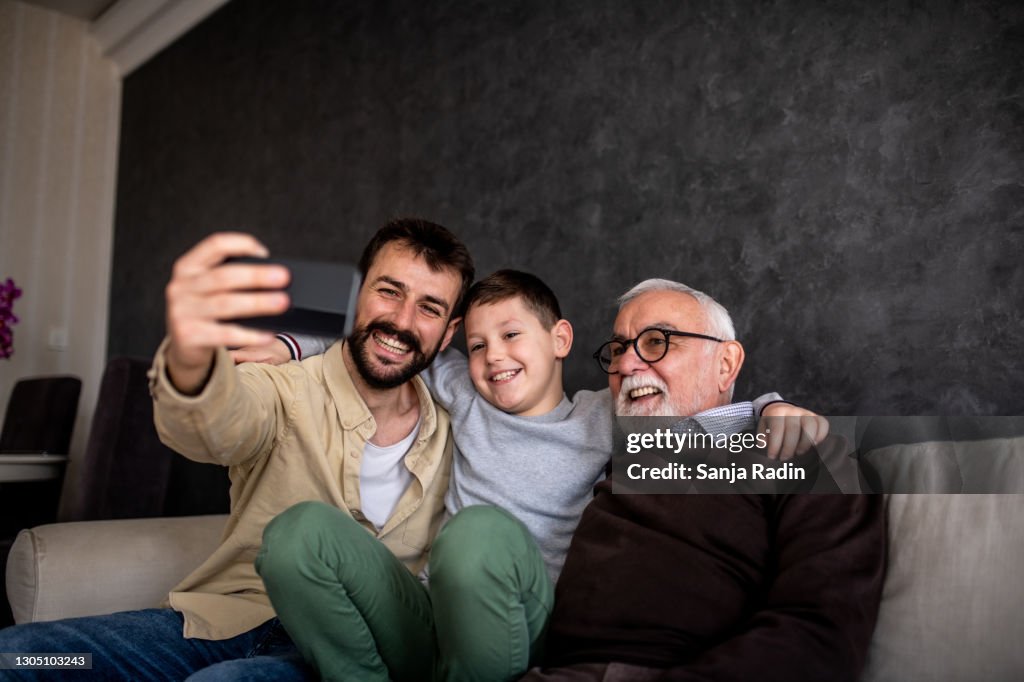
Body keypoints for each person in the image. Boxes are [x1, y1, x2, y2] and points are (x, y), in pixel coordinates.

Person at [252, 270, 827, 682]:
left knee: (478, 532)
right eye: (476, 345)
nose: (493, 357)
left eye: (510, 336)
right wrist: (287, 342)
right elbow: (391, 343)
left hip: (518, 621)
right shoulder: (463, 392)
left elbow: (704, 412)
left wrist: (774, 405)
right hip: (430, 614)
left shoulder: (606, 413)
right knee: (297, 534)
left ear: (560, 340)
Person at [0, 217, 474, 681]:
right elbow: (218, 425)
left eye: (429, 308)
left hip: (341, 650)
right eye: (388, 291)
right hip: (226, 622)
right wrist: (192, 360)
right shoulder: (282, 386)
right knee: (18, 658)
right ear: (357, 297)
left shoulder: (461, 435)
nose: (401, 320)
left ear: (449, 332)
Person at [519, 279, 886, 682]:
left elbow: (819, 634)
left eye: (657, 341)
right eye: (619, 348)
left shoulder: (809, 455)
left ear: (725, 365)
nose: (625, 365)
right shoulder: (606, 455)